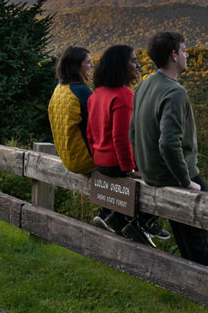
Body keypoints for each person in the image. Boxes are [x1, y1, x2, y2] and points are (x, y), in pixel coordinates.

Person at [131, 32, 208, 267]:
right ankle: (206, 290)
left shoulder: (145, 84)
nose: (188, 55)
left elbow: (133, 131)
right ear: (174, 55)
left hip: (152, 175)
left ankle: (189, 288)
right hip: (176, 177)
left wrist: (142, 166)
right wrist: (186, 181)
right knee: (198, 243)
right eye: (184, 51)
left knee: (185, 239)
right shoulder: (175, 93)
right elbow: (169, 143)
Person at [86, 44, 170, 245]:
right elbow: (121, 137)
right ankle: (145, 222)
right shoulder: (123, 95)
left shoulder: (96, 94)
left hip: (100, 160)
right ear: (120, 65)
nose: (138, 65)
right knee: (164, 167)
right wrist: (129, 168)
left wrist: (97, 157)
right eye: (133, 60)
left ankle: (113, 215)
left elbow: (90, 133)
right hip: (116, 163)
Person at [48, 46, 95, 174]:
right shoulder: (81, 91)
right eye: (88, 62)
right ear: (77, 66)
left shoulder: (59, 89)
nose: (92, 65)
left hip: (68, 159)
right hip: (86, 160)